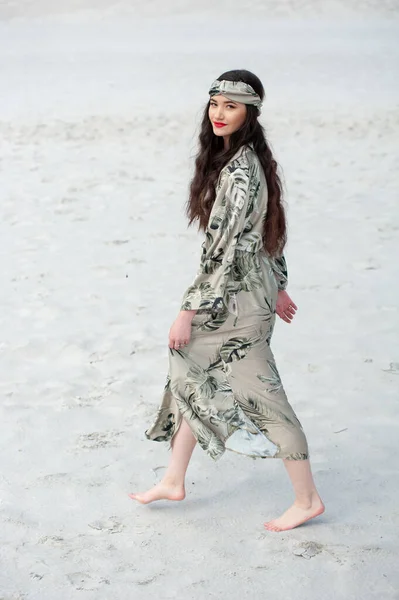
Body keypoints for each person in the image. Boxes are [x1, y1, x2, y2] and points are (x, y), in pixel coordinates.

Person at [129, 69, 325, 532]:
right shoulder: (245, 158)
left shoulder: (241, 171)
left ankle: (308, 498)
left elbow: (220, 248)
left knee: (262, 395)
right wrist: (277, 282)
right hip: (246, 290)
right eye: (216, 102)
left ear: (250, 112)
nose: (220, 113)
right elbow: (270, 233)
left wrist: (186, 310)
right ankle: (174, 479)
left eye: (232, 105)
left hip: (235, 301)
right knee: (191, 370)